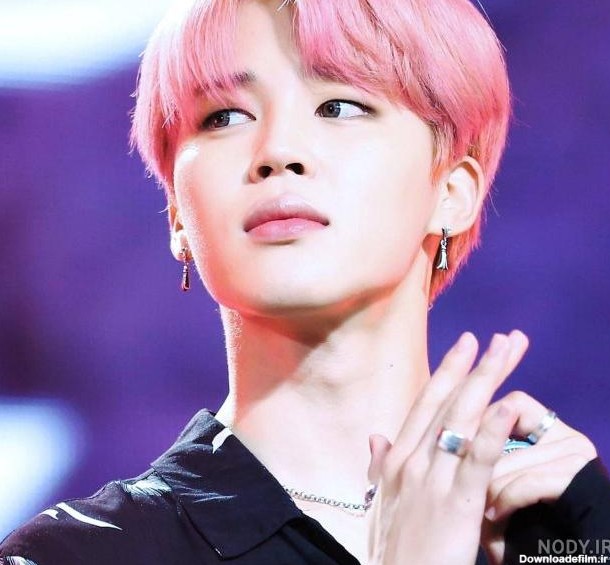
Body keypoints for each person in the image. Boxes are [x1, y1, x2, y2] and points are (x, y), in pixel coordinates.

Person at [2, 0, 609, 564]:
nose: (279, 151)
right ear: (178, 216)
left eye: (339, 106)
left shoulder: (557, 529)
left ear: (452, 193)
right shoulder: (76, 553)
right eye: (225, 116)